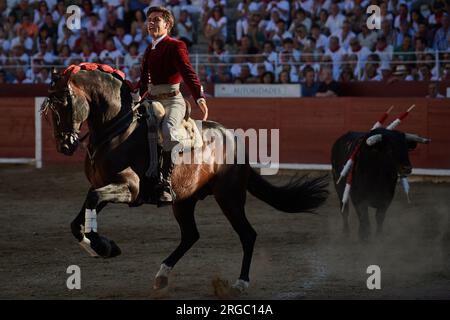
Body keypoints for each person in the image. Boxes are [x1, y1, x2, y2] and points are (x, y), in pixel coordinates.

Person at [135, 6, 208, 205]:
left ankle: (166, 182)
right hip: (151, 100)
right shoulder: (149, 49)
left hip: (172, 101)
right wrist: (134, 96)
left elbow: (187, 72)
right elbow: (142, 83)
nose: (151, 23)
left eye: (156, 19)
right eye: (149, 19)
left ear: (167, 24)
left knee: (167, 129)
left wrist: (198, 96)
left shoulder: (176, 45)